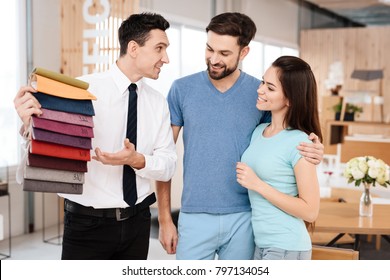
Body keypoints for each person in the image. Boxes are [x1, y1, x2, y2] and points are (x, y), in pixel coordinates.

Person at [156, 12, 324, 260]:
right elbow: (164, 158)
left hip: (246, 218)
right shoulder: (181, 90)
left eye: (224, 54)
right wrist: (164, 219)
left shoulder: (260, 95)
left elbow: (285, 135)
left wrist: (317, 149)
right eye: (209, 49)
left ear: (243, 52)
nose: (213, 59)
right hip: (194, 214)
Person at [14, 13, 177, 260]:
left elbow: (168, 166)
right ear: (133, 48)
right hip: (86, 225)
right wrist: (30, 125)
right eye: (159, 49)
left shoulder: (158, 103)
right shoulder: (81, 91)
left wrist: (136, 159)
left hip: (138, 223)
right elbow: (44, 150)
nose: (165, 58)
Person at [236, 56, 321, 260]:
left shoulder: (300, 142)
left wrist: (258, 184)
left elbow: (310, 211)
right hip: (261, 244)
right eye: (263, 81)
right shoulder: (259, 131)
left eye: (270, 88)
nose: (260, 89)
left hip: (287, 246)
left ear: (290, 98)